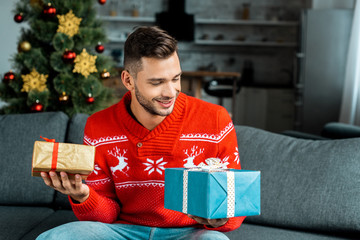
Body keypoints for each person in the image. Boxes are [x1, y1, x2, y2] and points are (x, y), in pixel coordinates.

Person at [37, 26, 245, 240]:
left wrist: (222, 217)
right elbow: (107, 215)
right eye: (157, 82)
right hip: (122, 231)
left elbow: (234, 207)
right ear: (128, 80)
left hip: (189, 233)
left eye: (175, 79)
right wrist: (82, 195)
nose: (170, 92)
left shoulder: (216, 119)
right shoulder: (98, 126)